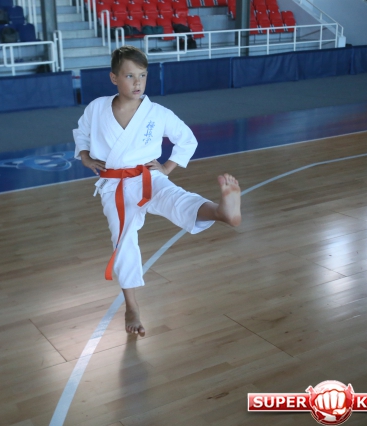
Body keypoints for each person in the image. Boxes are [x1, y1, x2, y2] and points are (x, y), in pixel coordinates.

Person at [73, 46, 242, 337]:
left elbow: (186, 139)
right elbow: (82, 133)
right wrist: (86, 157)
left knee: (176, 199)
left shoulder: (157, 113)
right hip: (114, 185)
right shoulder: (97, 107)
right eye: (129, 76)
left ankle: (221, 211)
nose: (137, 82)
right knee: (123, 240)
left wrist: (167, 167)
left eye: (142, 75)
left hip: (148, 176)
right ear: (114, 78)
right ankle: (132, 306)